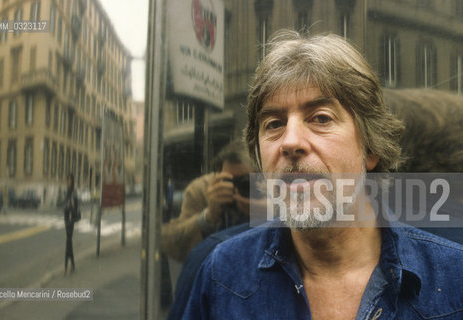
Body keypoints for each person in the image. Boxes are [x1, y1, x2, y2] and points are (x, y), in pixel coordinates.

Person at [184, 31, 463, 319]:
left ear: (370, 148)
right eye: (274, 123)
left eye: (321, 118)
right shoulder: (222, 275)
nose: (290, 142)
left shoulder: (454, 279)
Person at [161, 140, 254, 262]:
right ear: (217, 174)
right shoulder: (201, 190)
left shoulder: (269, 189)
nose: (237, 188)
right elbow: (173, 245)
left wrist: (263, 213)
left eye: (246, 181)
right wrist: (208, 216)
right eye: (230, 180)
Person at [64, 173, 78, 274]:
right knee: (69, 241)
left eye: (70, 180)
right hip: (66, 219)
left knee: (68, 240)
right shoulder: (67, 192)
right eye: (67, 180)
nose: (68, 182)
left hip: (71, 219)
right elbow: (65, 204)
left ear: (72, 182)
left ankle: (66, 264)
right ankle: (72, 264)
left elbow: (76, 206)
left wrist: (71, 205)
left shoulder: (74, 192)